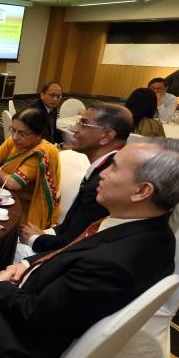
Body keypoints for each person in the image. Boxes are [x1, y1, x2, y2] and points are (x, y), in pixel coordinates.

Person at [0, 138, 179, 358]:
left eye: (114, 167)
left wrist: (1, 286)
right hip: (38, 294)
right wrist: (29, 263)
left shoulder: (113, 264)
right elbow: (74, 251)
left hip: (21, 341)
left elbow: (38, 316)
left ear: (141, 191)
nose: (103, 174)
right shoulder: (149, 230)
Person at [20, 102, 132, 253]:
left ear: (106, 136)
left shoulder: (105, 182)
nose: (73, 129)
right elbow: (73, 227)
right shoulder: (106, 166)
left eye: (83, 124)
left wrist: (34, 238)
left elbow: (75, 243)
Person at [0, 108, 61, 229]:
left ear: (38, 135)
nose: (15, 137)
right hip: (4, 195)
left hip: (25, 207)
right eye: (13, 130)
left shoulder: (42, 152)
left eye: (22, 134)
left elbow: (13, 184)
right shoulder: (14, 141)